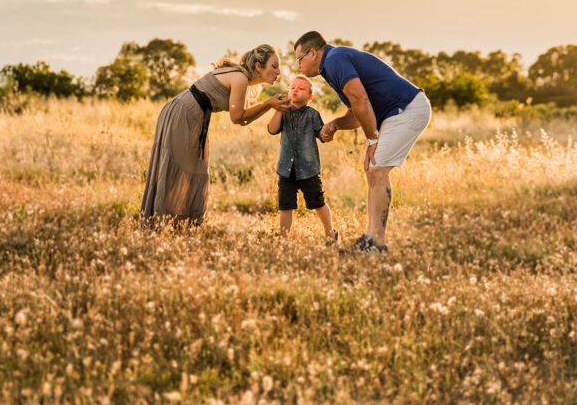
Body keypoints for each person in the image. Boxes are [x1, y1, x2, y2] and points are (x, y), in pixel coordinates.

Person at [294, 31, 432, 253]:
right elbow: (357, 110)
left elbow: (361, 99)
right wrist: (337, 123)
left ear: (312, 53)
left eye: (299, 60)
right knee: (372, 169)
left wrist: (372, 140)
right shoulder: (331, 66)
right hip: (397, 112)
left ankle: (377, 244)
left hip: (406, 109)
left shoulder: (334, 59)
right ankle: (371, 239)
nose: (298, 66)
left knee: (377, 170)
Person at [141, 44, 291, 226]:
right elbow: (237, 118)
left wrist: (269, 105)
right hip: (183, 113)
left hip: (189, 114)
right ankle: (163, 223)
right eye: (274, 66)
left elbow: (242, 118)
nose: (278, 72)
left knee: (195, 168)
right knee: (178, 168)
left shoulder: (240, 77)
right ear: (259, 66)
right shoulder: (240, 78)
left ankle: (180, 224)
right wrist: (268, 104)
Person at [267, 75, 338, 244]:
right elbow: (272, 129)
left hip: (308, 169)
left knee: (318, 202)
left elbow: (321, 134)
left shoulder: (313, 114)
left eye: (301, 88)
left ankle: (330, 233)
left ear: (310, 96)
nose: (295, 90)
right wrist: (278, 109)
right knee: (286, 205)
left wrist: (327, 133)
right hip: (286, 169)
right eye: (292, 87)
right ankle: (283, 239)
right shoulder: (283, 112)